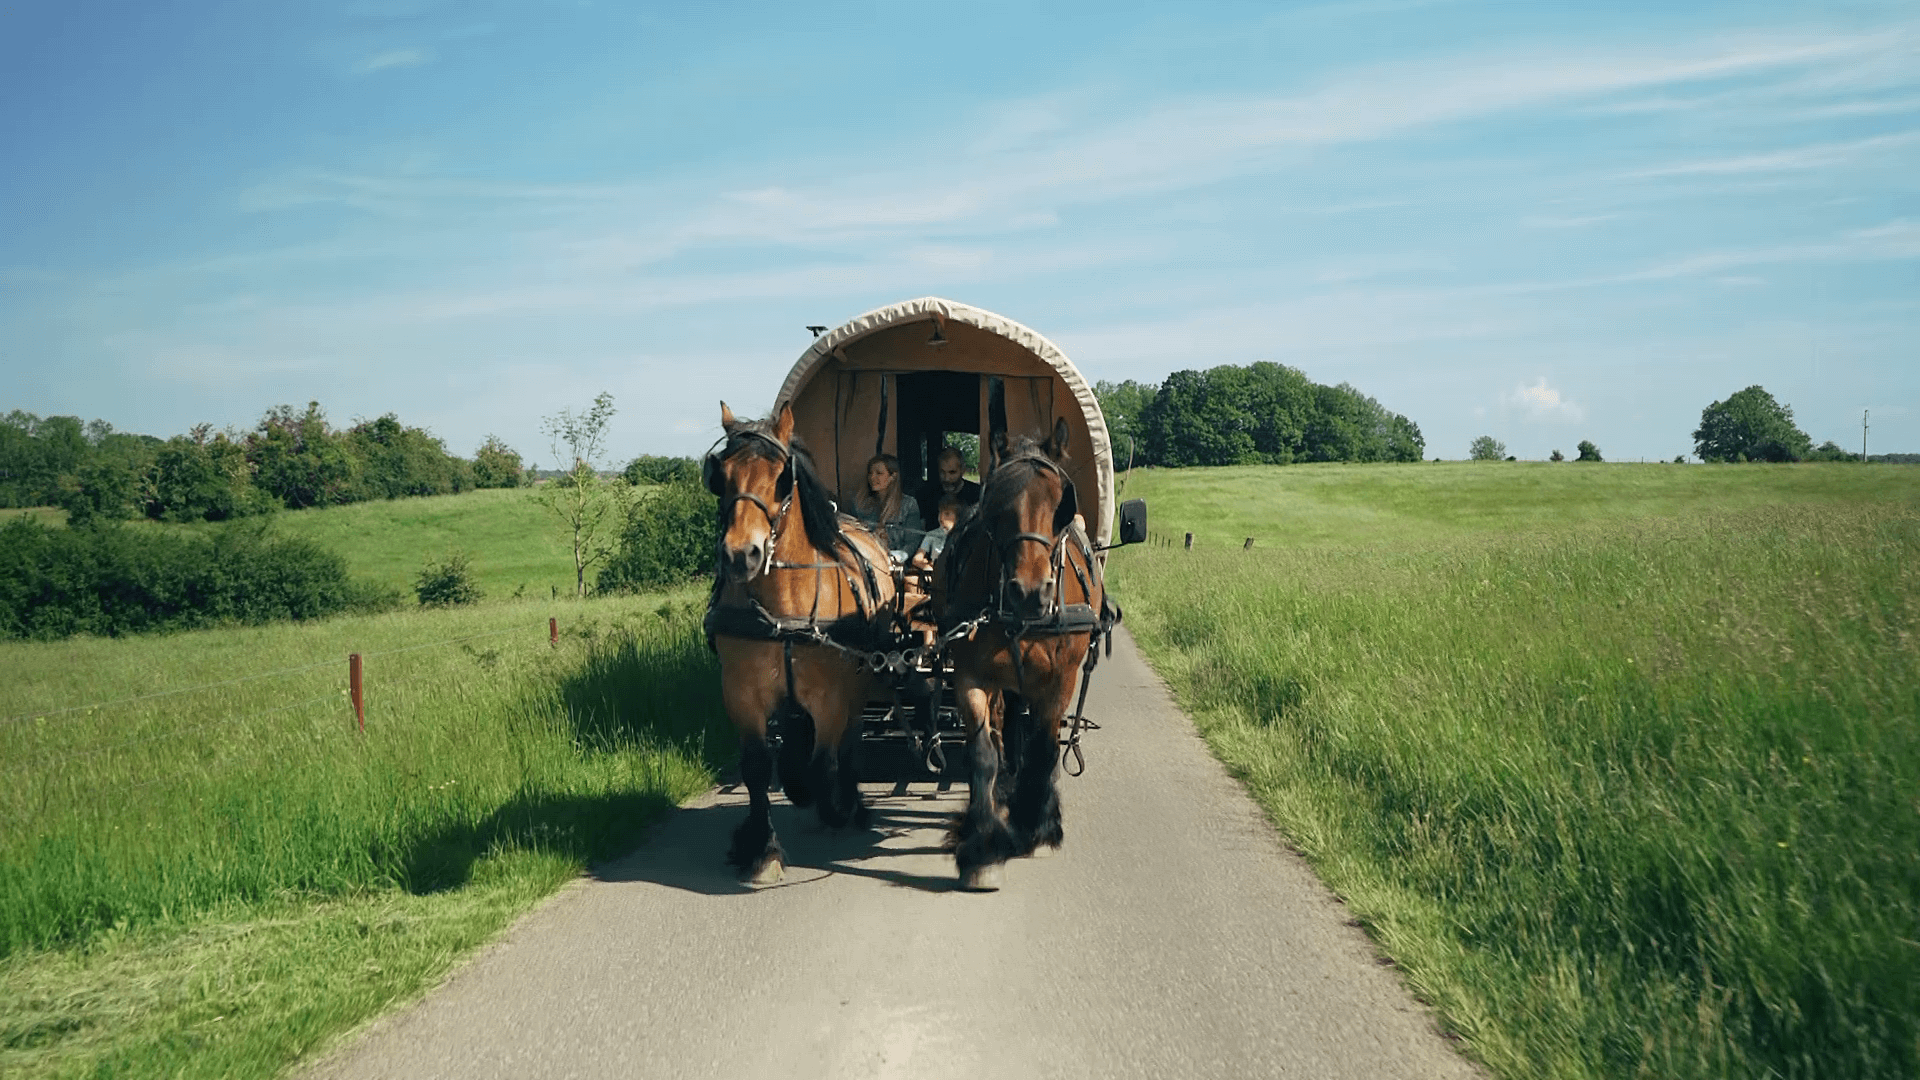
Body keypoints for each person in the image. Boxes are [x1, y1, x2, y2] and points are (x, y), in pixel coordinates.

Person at [852, 453, 921, 560]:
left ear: (892, 476)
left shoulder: (909, 504)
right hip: (867, 560)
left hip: (896, 563)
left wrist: (899, 556)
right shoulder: (861, 504)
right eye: (870, 473)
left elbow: (913, 541)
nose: (872, 477)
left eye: (879, 473)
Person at [916, 446, 981, 531]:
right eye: (942, 472)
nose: (947, 478)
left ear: (963, 470)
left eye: (952, 472)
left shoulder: (976, 494)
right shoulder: (927, 494)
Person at [910, 499, 961, 569]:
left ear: (958, 517)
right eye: (940, 512)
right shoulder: (931, 535)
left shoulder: (962, 536)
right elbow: (917, 557)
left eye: (947, 514)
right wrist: (927, 567)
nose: (941, 518)